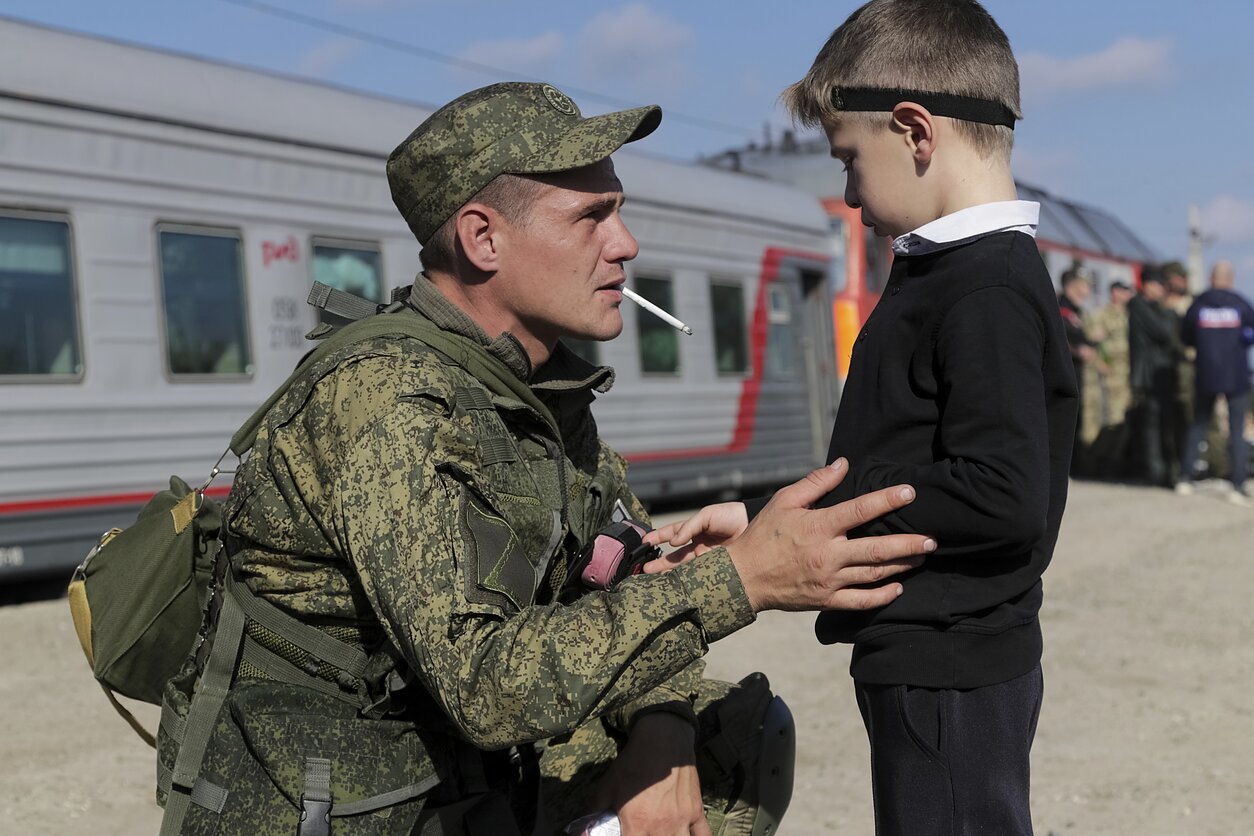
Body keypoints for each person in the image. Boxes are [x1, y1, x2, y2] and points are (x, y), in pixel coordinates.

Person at [159, 81, 936, 836]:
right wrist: (743, 578)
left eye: (618, 212)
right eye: (591, 217)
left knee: (733, 734)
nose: (625, 244)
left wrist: (660, 729)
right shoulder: (390, 403)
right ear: (483, 239)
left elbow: (626, 562)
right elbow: (486, 684)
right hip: (342, 801)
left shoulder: (528, 390)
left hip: (459, 771)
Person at [649, 3, 1076, 833]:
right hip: (935, 657)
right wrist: (769, 514)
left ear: (915, 132)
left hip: (948, 662)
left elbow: (1002, 492)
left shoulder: (983, 287)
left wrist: (826, 514)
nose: (848, 194)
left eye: (849, 159)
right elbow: (913, 457)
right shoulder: (954, 274)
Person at [1174, 260, 1254, 504]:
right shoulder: (1241, 304)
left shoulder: (1198, 304)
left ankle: (1185, 478)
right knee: (1237, 429)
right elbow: (1251, 333)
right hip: (1237, 375)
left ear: (1211, 278)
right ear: (1231, 279)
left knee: (1198, 425)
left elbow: (1186, 335)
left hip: (1206, 373)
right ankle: (1238, 484)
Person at [1128, 270, 1183, 486]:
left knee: (1160, 423)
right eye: (1159, 285)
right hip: (1150, 375)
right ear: (1147, 285)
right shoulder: (1139, 305)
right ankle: (1155, 472)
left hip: (1157, 374)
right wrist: (1170, 311)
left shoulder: (1150, 307)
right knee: (1153, 425)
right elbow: (1164, 333)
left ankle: (1161, 469)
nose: (1162, 290)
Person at [1087, 280, 1135, 478]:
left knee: (1125, 423)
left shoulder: (1130, 315)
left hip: (1128, 376)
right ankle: (1100, 464)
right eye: (1122, 291)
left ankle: (1116, 464)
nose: (1126, 295)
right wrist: (1101, 365)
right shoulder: (1100, 315)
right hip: (1110, 376)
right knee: (1111, 421)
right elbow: (1092, 343)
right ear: (1113, 292)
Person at [1059, 265, 1102, 475]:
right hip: (1064, 375)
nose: (1087, 291)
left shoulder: (1078, 313)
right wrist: (1079, 351)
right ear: (1073, 286)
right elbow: (1059, 339)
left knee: (1076, 423)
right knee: (1064, 423)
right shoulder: (1060, 308)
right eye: (1084, 286)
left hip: (1078, 374)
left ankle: (1075, 466)